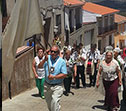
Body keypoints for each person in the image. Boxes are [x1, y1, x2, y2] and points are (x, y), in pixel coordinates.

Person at [38, 45, 67, 111]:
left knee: (54, 101)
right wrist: (44, 60)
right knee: (50, 104)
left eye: (55, 52)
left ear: (58, 52)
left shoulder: (61, 61)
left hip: (57, 86)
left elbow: (64, 74)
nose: (53, 53)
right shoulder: (47, 58)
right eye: (51, 51)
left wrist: (54, 77)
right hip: (47, 85)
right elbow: (39, 66)